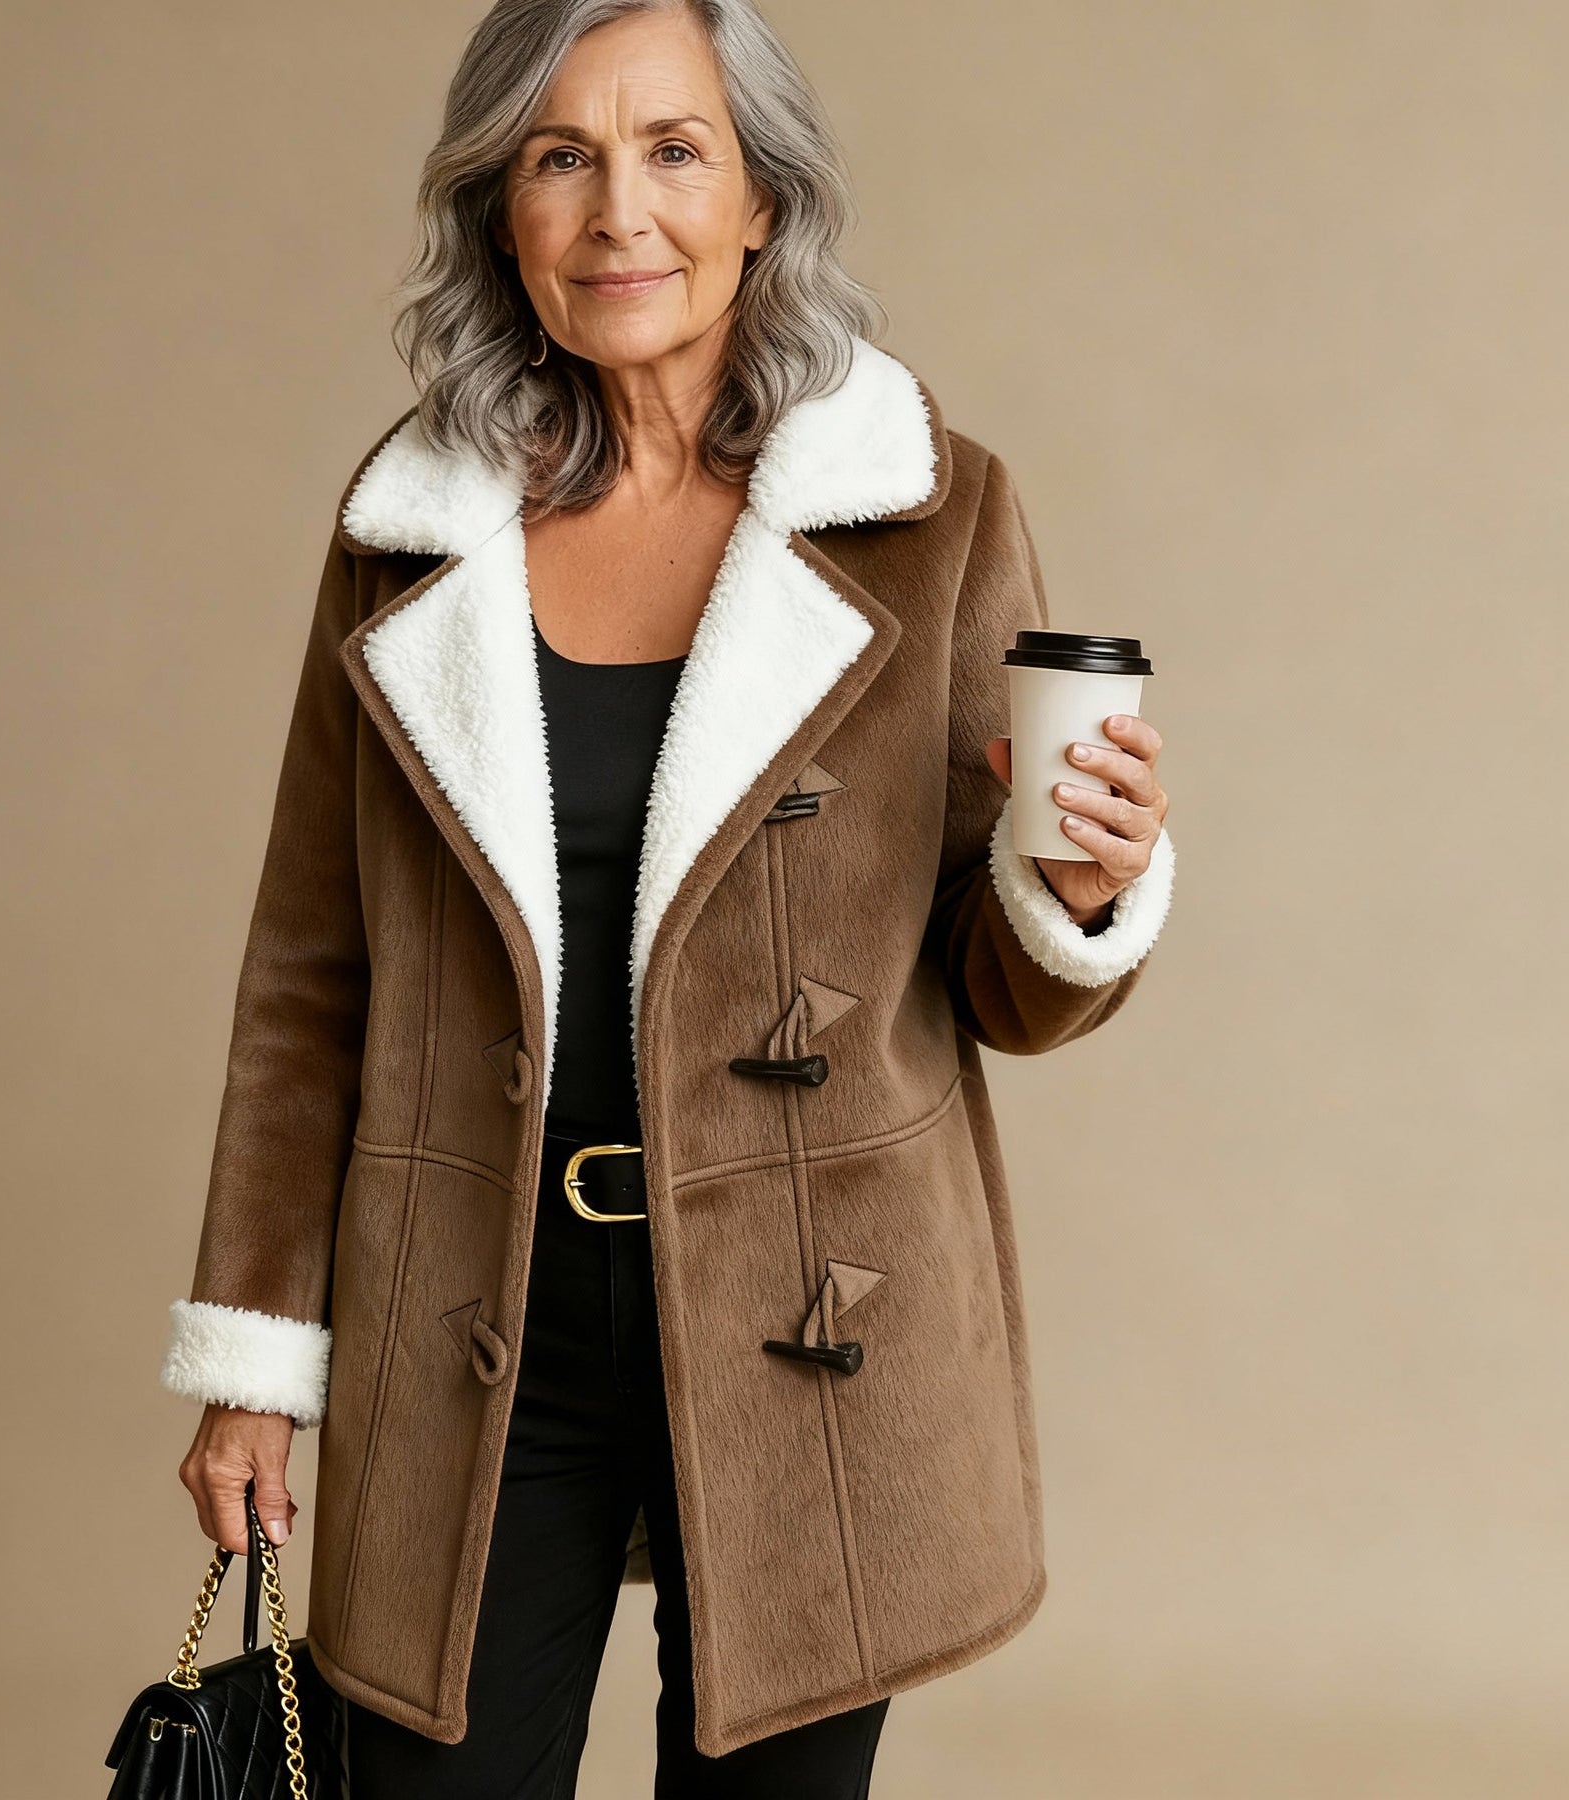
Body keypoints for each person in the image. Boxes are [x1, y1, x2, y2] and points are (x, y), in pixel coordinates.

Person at [158, 2, 1176, 1794]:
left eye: (675, 150)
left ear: (762, 201)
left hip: (818, 1317)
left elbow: (1002, 991)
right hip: (472, 1305)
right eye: (562, 157)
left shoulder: (930, 516)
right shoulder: (410, 535)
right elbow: (310, 974)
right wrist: (257, 1357)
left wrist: (1074, 888)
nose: (620, 210)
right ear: (503, 213)